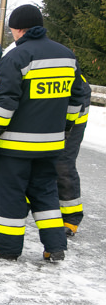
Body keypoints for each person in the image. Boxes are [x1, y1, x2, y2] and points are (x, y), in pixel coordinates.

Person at [0, 4, 87, 261]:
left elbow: (4, 104)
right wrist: (66, 128)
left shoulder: (17, 57)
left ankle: (6, 246)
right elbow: (77, 97)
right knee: (45, 193)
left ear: (18, 29)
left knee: (10, 194)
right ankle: (55, 246)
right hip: (50, 146)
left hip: (16, 148)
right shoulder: (66, 56)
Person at [58, 70, 92, 237]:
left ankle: (71, 218)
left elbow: (79, 96)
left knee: (63, 163)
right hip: (52, 114)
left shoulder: (67, 66)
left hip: (73, 115)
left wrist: (66, 125)